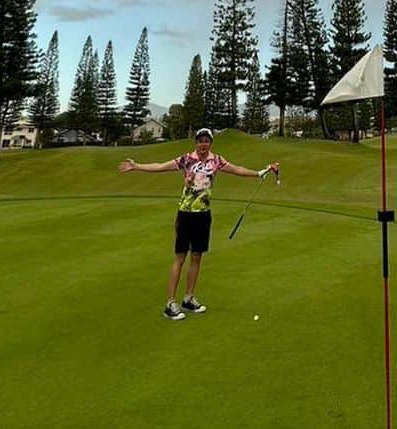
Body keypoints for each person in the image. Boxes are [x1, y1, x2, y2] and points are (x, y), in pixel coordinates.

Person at [118, 127, 279, 320]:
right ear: (196, 142)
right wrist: (137, 166)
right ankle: (170, 303)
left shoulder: (216, 160)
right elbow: (161, 167)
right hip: (186, 213)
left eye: (207, 141)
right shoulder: (187, 159)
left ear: (210, 143)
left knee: (197, 257)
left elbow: (237, 170)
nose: (203, 144)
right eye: (200, 140)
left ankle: (188, 298)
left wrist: (259, 173)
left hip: (203, 214)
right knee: (180, 258)